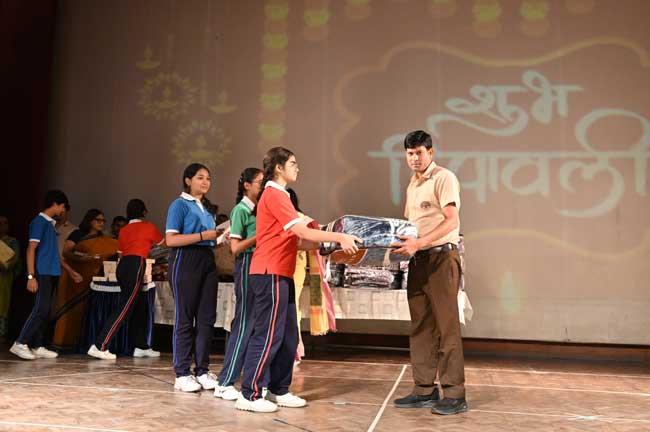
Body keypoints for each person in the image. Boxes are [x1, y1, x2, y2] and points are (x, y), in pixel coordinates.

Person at [235, 147, 361, 413]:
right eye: (293, 163)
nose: (297, 167)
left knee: (288, 336)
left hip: (282, 273)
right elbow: (302, 232)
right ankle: (250, 394)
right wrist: (339, 237)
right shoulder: (274, 194)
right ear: (278, 167)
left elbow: (298, 241)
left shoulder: (280, 196)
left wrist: (329, 245)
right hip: (269, 272)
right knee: (268, 335)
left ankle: (278, 390)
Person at [391, 130, 467, 415]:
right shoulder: (413, 184)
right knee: (421, 326)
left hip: (441, 258)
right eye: (410, 153)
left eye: (419, 153)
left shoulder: (444, 178)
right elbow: (412, 225)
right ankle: (424, 389)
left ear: (430, 152)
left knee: (447, 327)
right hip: (418, 260)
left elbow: (452, 221)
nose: (414, 158)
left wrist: (420, 243)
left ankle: (455, 394)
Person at [165, 163, 220, 392]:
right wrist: (202, 235)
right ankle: (182, 373)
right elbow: (171, 240)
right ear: (188, 180)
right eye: (200, 177)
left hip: (207, 260)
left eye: (208, 178)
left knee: (206, 318)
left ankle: (203, 370)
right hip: (185, 260)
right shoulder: (179, 205)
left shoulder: (206, 208)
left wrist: (219, 238)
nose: (205, 182)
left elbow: (209, 238)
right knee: (185, 318)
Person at [87, 199, 163, 360]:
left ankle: (141, 346)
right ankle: (100, 345)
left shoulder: (124, 230)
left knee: (139, 305)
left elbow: (120, 254)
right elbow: (165, 244)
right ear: (144, 212)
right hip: (136, 264)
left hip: (123, 266)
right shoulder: (148, 226)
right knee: (125, 307)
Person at [214, 167, 263, 401]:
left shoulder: (258, 209)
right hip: (246, 264)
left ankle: (251, 380)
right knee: (244, 322)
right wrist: (260, 235)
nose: (263, 186)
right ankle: (224, 382)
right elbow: (235, 248)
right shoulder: (240, 210)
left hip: (260, 264)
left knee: (256, 324)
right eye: (260, 182)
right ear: (247, 185)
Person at [10, 190, 69, 360]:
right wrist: (31, 276)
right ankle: (20, 343)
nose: (63, 210)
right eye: (62, 206)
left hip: (52, 272)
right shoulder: (39, 222)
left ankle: (38, 345)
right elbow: (31, 249)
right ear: (55, 204)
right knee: (40, 309)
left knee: (46, 310)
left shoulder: (50, 224)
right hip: (42, 272)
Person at [52, 209, 118, 351]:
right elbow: (66, 253)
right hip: (76, 278)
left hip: (93, 281)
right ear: (89, 221)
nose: (101, 223)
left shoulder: (104, 238)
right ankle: (65, 343)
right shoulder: (78, 234)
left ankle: (84, 342)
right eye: (98, 220)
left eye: (103, 221)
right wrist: (83, 258)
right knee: (73, 311)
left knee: (87, 312)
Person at [0, 215, 21, 342]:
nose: (2, 225)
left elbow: (15, 258)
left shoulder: (12, 241)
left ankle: (2, 334)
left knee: (2, 304)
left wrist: (4, 265)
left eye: (5, 223)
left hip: (4, 277)